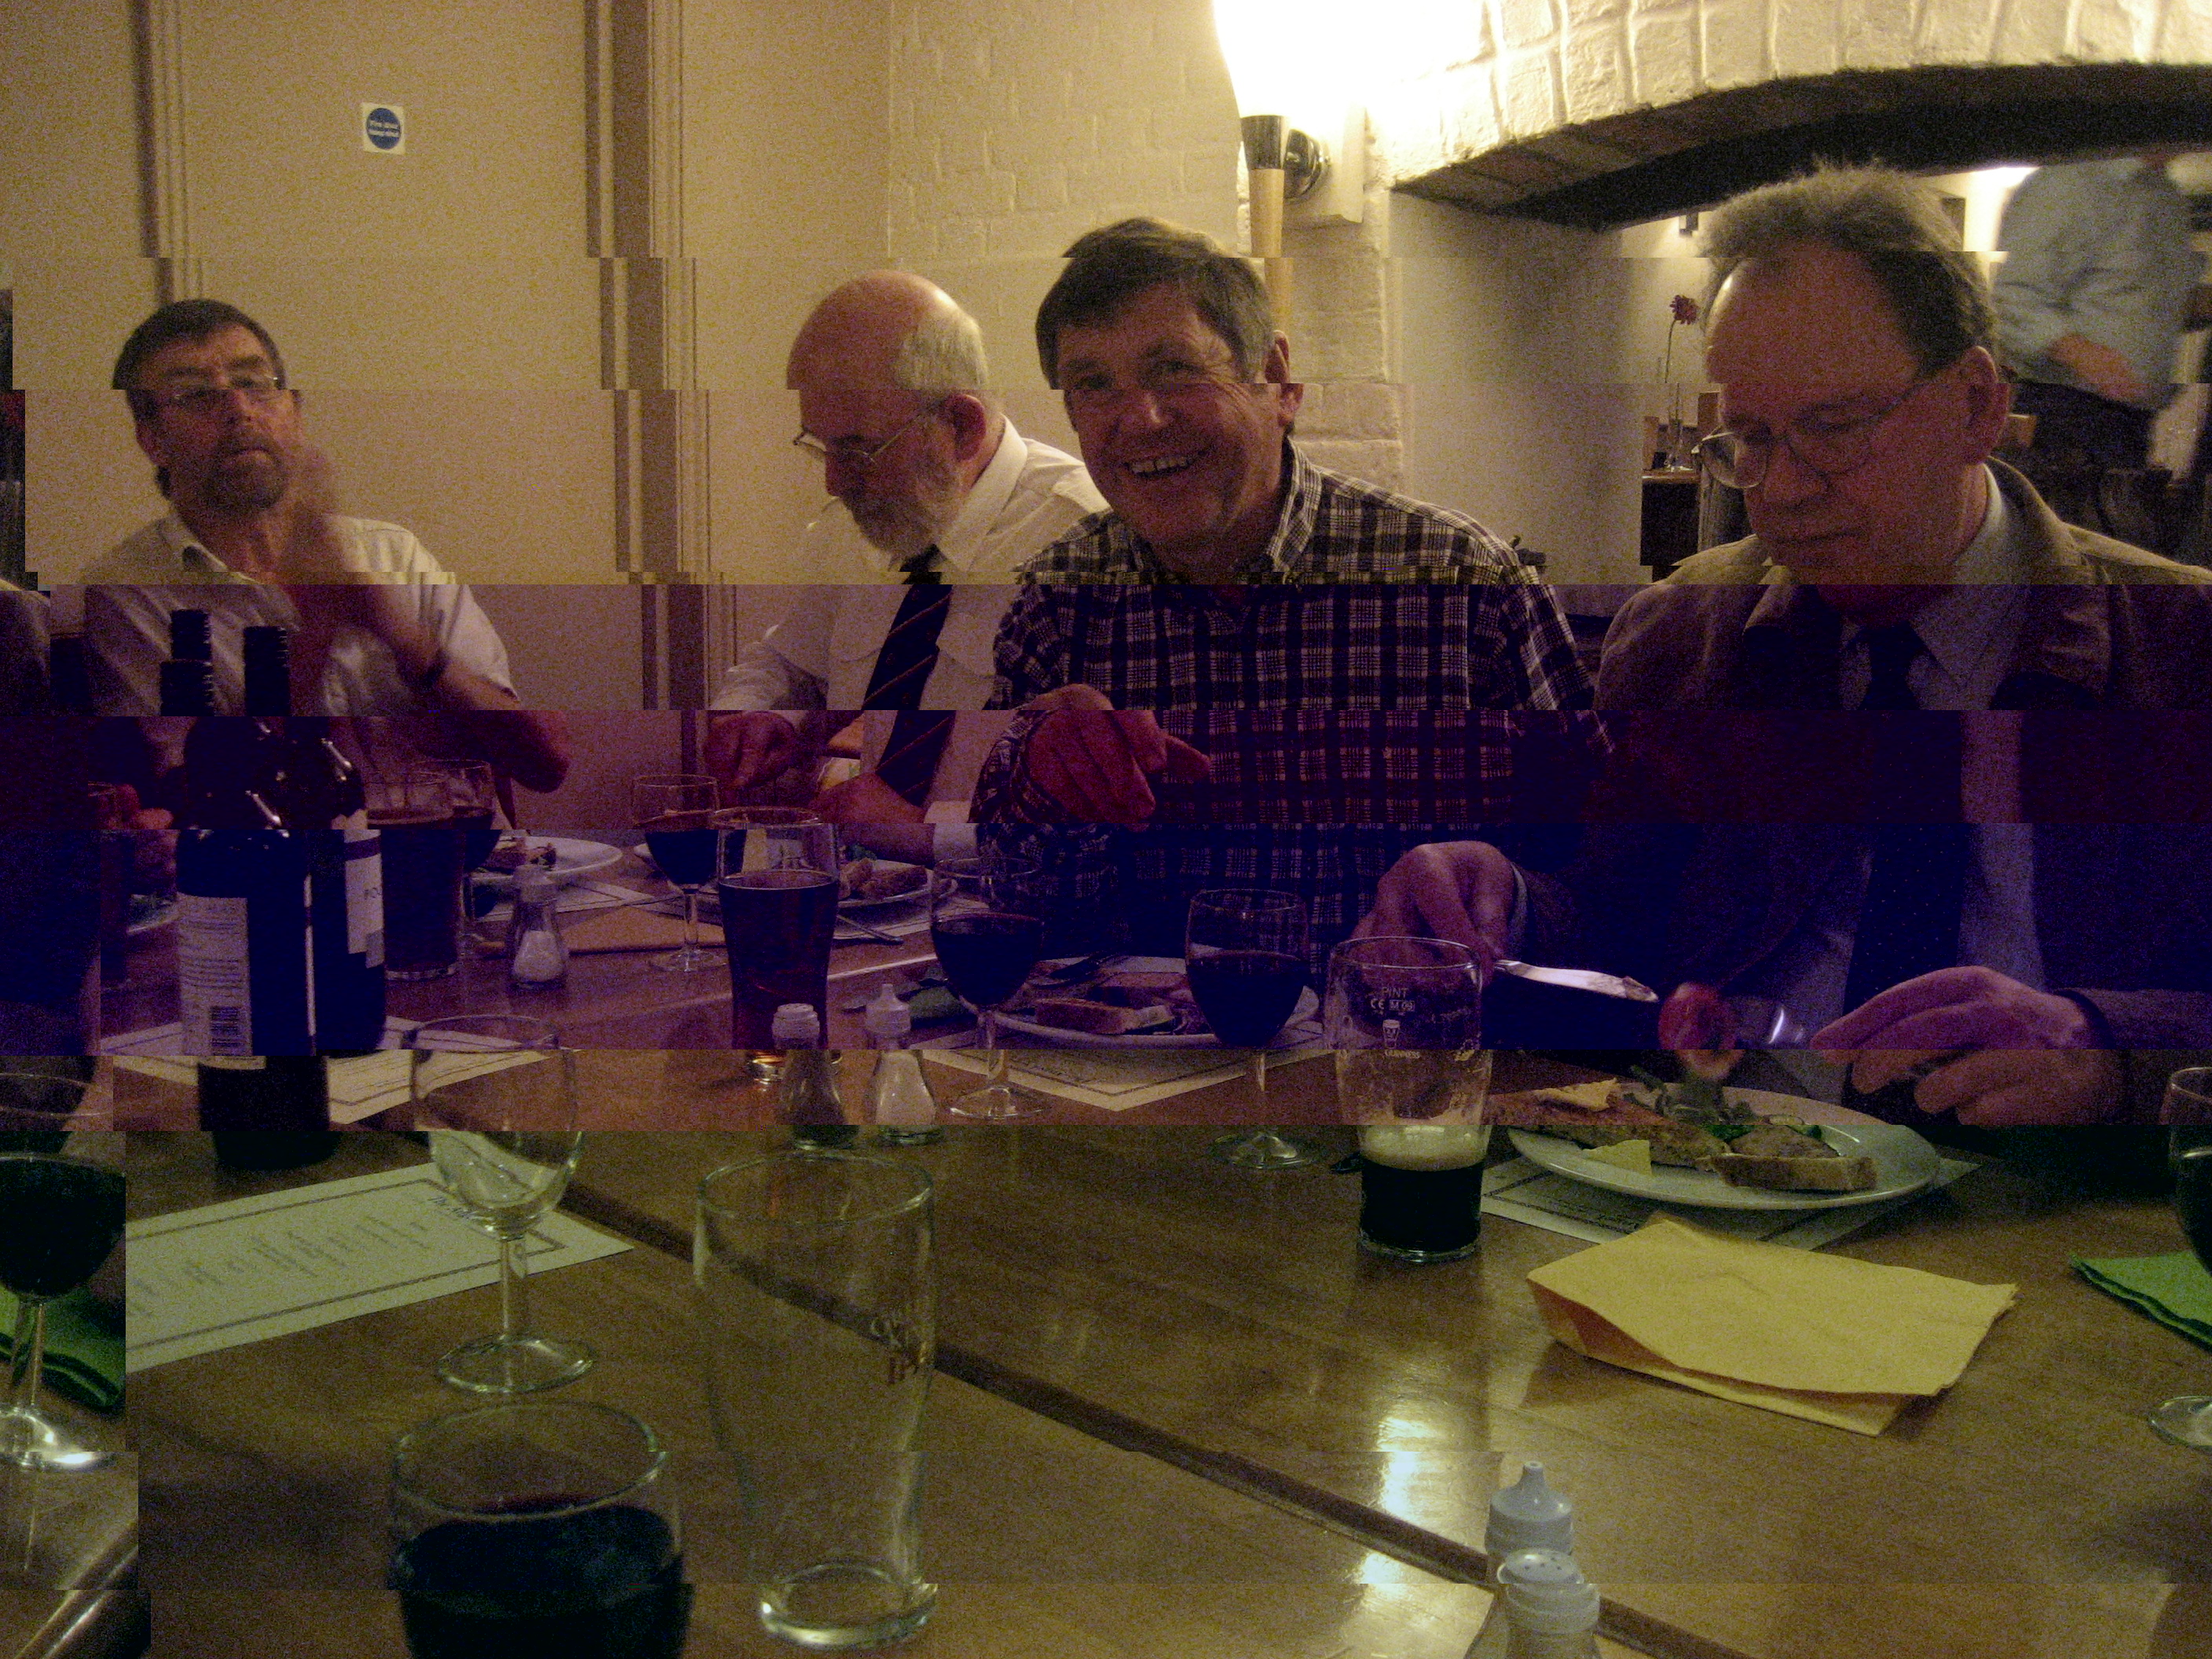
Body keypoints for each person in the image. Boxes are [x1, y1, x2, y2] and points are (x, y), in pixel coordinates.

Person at [1364, 167, 2212, 1126]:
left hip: (2063, 1186)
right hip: (1720, 1161)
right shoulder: (1686, 633)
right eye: (1749, 438)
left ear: (1976, 404)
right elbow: (1614, 924)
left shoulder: (2175, 644)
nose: (1780, 491)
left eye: (1833, 428)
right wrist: (1505, 898)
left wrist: (2111, 1049)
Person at [971, 218, 1598, 958]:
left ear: (1276, 380)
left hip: (1404, 1027)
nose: (1139, 420)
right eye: (1093, 385)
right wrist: (1041, 790)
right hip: (1145, 1034)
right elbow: (1016, 910)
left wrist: (1508, 895)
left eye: (1174, 369)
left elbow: (1613, 883)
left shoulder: (1469, 587)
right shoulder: (1055, 607)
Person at [82, 299, 569, 793]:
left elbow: (545, 764)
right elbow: (199, 801)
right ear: (152, 441)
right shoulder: (126, 594)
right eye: (193, 394)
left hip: (457, 840)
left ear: (295, 412)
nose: (239, 409)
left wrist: (407, 642)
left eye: (255, 382)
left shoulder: (392, 553)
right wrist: (317, 628)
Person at [705, 272, 1104, 862]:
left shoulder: (1093, 548)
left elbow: (1117, 824)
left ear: (961, 426)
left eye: (857, 450)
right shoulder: (864, 522)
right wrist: (769, 717)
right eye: (822, 446)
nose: (834, 481)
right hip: (867, 892)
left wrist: (930, 831)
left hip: (1011, 902)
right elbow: (794, 660)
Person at [1994, 152, 2207, 472]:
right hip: (2067, 418)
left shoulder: (2167, 197)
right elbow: (2013, 297)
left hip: (2132, 424)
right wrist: (2082, 354)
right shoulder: (2073, 181)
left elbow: (2149, 303)